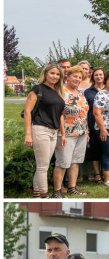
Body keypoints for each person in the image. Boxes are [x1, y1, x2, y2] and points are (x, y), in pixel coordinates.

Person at [24, 64, 65, 198]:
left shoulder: (57, 92)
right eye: (52, 73)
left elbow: (59, 114)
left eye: (58, 74)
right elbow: (27, 111)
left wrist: (62, 133)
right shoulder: (38, 89)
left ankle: (37, 193)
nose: (55, 76)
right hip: (40, 129)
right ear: (46, 74)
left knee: (43, 165)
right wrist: (28, 134)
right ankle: (44, 195)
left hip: (53, 131)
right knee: (43, 166)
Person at [53, 65, 90, 197]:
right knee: (63, 162)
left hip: (81, 132)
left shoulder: (80, 93)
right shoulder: (61, 92)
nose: (77, 79)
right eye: (74, 76)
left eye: (79, 77)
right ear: (67, 77)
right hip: (66, 133)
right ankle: (57, 191)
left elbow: (84, 114)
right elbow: (59, 114)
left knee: (75, 161)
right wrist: (62, 133)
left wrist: (87, 132)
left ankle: (72, 188)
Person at [84, 67, 106, 184]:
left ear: (104, 76)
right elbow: (86, 110)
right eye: (96, 75)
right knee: (94, 149)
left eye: (101, 75)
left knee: (106, 148)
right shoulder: (88, 92)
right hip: (93, 122)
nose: (99, 77)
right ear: (93, 77)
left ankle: (106, 171)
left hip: (108, 124)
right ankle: (97, 173)